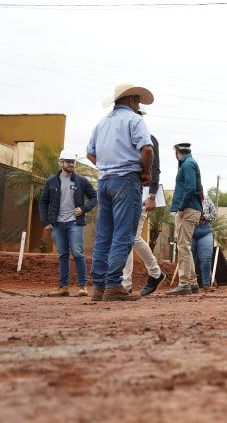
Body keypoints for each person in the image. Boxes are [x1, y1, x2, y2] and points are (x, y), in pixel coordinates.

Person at [86, 83, 154, 301]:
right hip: (126, 181)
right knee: (123, 234)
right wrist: (146, 172)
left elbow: (90, 154)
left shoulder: (101, 123)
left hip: (104, 182)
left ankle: (98, 286)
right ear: (132, 100)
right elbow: (147, 149)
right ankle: (114, 284)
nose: (138, 105)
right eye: (138, 101)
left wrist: (107, 166)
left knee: (104, 235)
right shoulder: (134, 120)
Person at [39, 149, 97, 297]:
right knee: (62, 254)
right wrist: (46, 221)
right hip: (57, 224)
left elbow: (94, 197)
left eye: (73, 162)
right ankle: (63, 287)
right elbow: (43, 201)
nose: (71, 164)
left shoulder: (81, 181)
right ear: (61, 163)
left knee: (78, 252)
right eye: (68, 162)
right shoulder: (51, 181)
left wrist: (84, 209)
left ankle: (83, 286)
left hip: (74, 223)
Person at [121, 134, 166, 297]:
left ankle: (154, 272)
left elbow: (155, 168)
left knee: (132, 237)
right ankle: (126, 283)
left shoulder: (149, 138)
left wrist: (152, 195)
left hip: (143, 192)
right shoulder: (125, 137)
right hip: (127, 191)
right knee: (126, 237)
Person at [165, 138, 203, 295]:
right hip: (191, 209)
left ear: (177, 152)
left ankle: (184, 284)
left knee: (183, 247)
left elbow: (190, 187)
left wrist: (181, 207)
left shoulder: (187, 164)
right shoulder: (190, 163)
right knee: (185, 246)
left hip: (187, 209)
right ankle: (192, 283)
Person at [192, 195, 216, 290]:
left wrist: (205, 216)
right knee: (189, 259)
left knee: (206, 258)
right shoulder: (188, 200)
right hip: (190, 230)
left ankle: (206, 284)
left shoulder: (207, 200)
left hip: (205, 230)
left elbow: (214, 214)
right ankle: (188, 284)